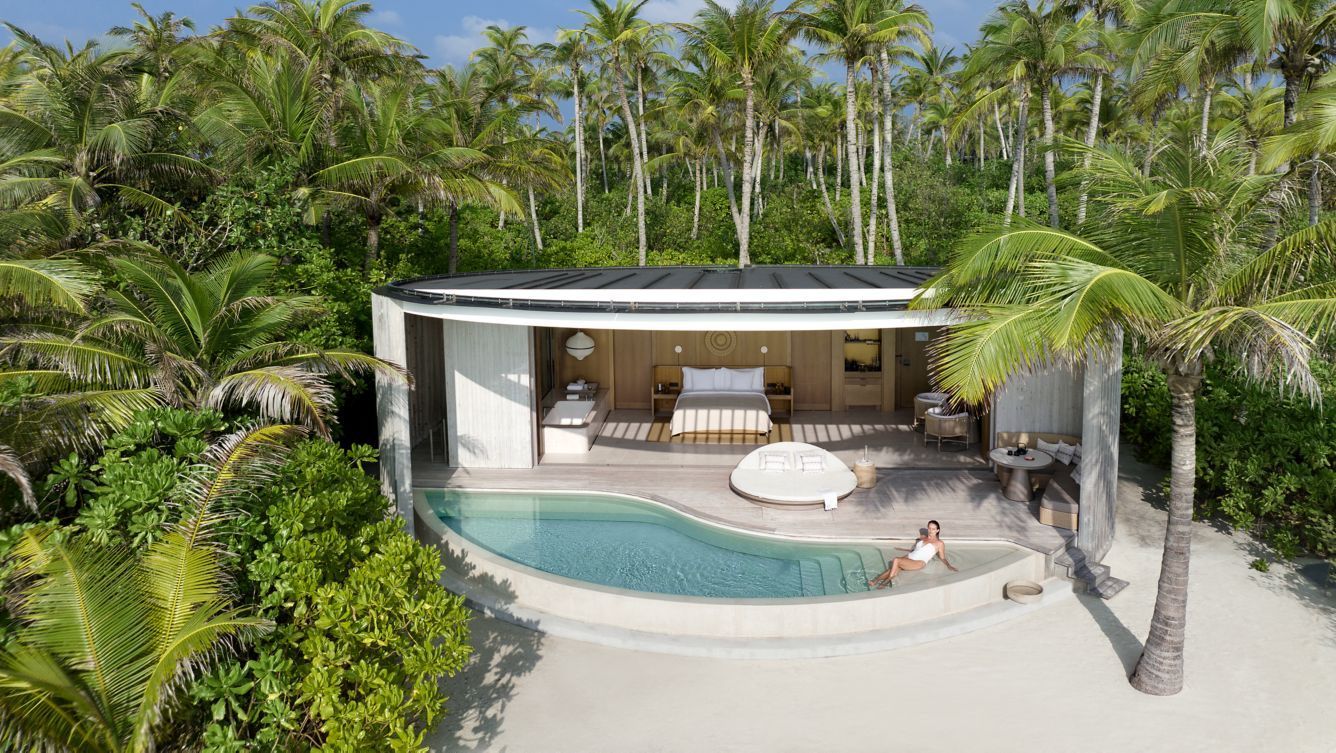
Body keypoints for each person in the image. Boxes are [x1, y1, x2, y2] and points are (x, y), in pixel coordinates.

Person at [868, 520, 957, 589]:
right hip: (910, 556)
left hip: (919, 562)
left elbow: (942, 557)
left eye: (933, 529)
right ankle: (876, 580)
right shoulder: (923, 538)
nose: (931, 531)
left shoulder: (939, 543)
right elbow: (916, 550)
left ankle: (887, 582)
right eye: (929, 528)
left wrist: (949, 565)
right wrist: (903, 549)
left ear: (937, 530)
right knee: (894, 568)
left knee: (896, 560)